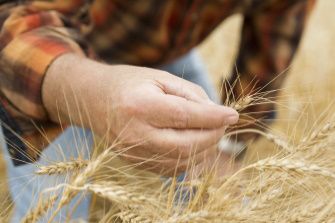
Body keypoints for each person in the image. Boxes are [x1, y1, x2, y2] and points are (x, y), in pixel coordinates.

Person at [0, 0, 314, 222]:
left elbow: (272, 48)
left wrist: (229, 145)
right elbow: (14, 20)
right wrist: (91, 93)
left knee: (224, 199)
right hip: (55, 50)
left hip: (167, 56)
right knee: (53, 211)